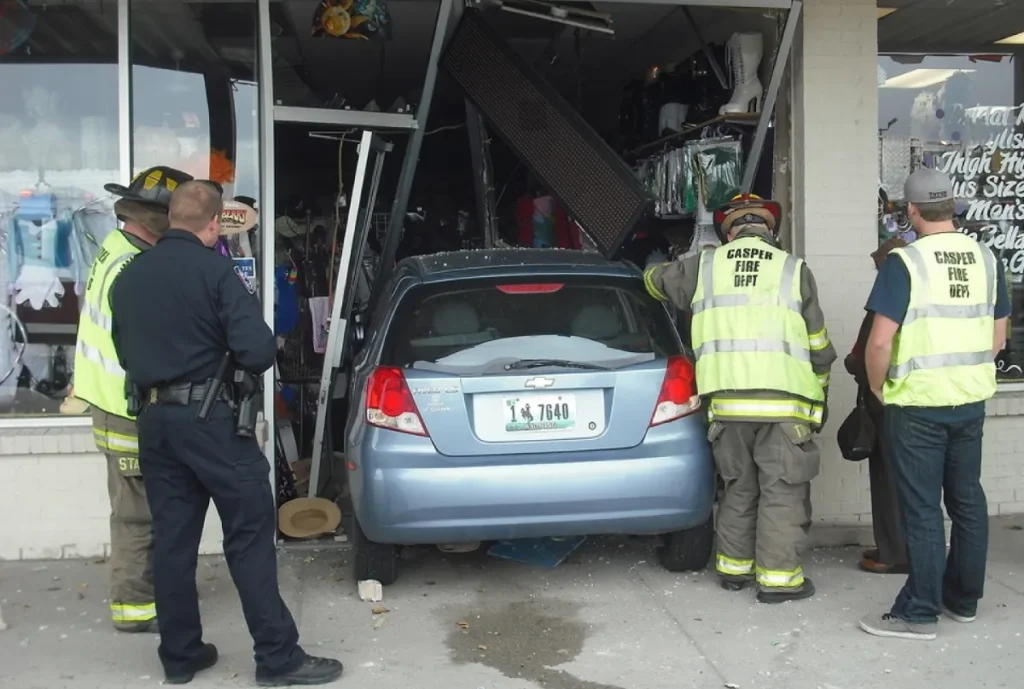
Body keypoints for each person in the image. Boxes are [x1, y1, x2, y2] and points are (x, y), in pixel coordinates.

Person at [110, 181, 343, 686]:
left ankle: (181, 656)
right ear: (213, 224)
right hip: (211, 421)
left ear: (170, 218)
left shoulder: (128, 277)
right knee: (249, 536)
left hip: (154, 423)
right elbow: (258, 352)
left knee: (172, 540)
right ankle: (278, 659)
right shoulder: (216, 272)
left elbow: (124, 354)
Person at [643, 193, 836, 603]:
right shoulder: (794, 270)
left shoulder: (705, 266)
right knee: (782, 492)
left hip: (727, 408)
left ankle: (734, 571)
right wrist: (819, 398)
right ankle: (779, 581)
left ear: (728, 231)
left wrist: (660, 260)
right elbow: (819, 345)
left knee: (737, 488)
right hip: (786, 408)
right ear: (771, 229)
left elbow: (652, 281)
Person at [859, 168, 1009, 641]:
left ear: (912, 211)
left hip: (919, 404)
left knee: (922, 509)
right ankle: (962, 601)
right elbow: (998, 339)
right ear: (954, 208)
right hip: (969, 400)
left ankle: (919, 611)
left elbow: (880, 343)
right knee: (967, 500)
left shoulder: (905, 263)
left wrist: (879, 388)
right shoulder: (987, 260)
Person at [74, 165, 195, 633]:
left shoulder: (114, 247)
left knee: (138, 507)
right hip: (125, 409)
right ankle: (135, 608)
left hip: (111, 403)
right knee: (137, 515)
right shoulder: (134, 266)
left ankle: (149, 593)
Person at [846, 236, 910, 576]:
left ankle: (893, 553)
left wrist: (855, 367)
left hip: (885, 402)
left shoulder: (885, 304)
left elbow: (865, 353)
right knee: (908, 481)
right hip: (916, 401)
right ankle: (899, 547)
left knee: (887, 481)